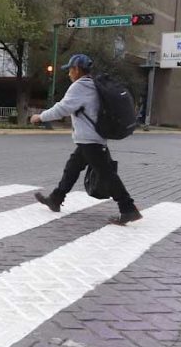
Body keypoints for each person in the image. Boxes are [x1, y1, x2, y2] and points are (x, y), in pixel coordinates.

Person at [30, 54, 143, 226]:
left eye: (70, 70)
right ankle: (56, 198)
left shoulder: (80, 86)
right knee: (72, 167)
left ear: (76, 70)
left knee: (107, 175)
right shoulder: (93, 85)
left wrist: (40, 117)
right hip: (91, 138)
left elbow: (62, 108)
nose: (69, 73)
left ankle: (128, 208)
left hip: (90, 140)